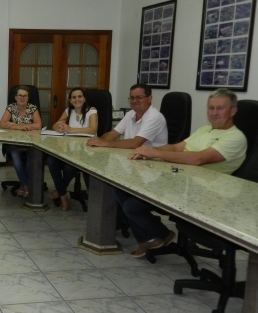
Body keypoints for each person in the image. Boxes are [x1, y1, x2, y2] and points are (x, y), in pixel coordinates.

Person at [121, 88, 246, 258]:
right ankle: (150, 238)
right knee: (121, 188)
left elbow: (198, 159)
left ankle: (161, 235)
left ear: (233, 111)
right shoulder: (204, 130)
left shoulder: (235, 137)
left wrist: (155, 153)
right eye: (211, 108)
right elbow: (175, 148)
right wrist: (146, 151)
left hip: (206, 194)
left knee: (132, 205)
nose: (214, 113)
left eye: (220, 108)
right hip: (181, 183)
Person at [46, 87, 98, 210]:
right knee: (51, 160)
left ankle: (61, 192)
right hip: (69, 149)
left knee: (69, 167)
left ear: (84, 99)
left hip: (86, 151)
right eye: (74, 97)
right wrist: (59, 127)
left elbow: (93, 129)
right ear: (70, 101)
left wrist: (70, 129)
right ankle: (63, 194)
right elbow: (54, 125)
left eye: (80, 96)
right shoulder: (68, 111)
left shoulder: (91, 111)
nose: (77, 99)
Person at [86, 83, 168, 149]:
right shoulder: (131, 113)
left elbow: (135, 143)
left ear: (149, 99)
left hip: (152, 161)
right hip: (133, 155)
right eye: (132, 98)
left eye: (139, 97)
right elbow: (113, 134)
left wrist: (105, 143)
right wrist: (99, 140)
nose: (134, 101)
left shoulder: (154, 117)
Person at [0, 86, 42, 198]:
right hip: (14, 143)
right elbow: (2, 124)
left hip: (30, 143)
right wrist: (20, 127)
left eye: (25, 96)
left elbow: (38, 125)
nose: (22, 98)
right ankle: (26, 186)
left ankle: (23, 185)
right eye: (20, 95)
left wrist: (16, 125)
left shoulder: (32, 108)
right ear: (15, 97)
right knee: (17, 160)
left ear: (28, 98)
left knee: (29, 161)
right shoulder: (11, 108)